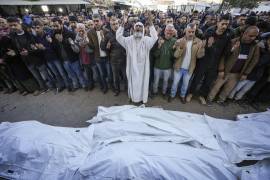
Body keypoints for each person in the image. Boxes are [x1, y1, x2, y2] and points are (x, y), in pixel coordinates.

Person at [186, 14, 232, 104]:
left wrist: (222, 66)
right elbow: (201, 46)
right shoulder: (209, 31)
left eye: (227, 24)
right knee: (197, 79)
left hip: (215, 63)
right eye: (223, 24)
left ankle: (201, 95)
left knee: (208, 81)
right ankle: (190, 94)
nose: (224, 26)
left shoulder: (228, 34)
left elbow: (225, 53)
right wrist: (208, 46)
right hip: (203, 61)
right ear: (218, 22)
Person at [207, 26, 260, 104]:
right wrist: (221, 69)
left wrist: (246, 73)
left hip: (237, 73)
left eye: (255, 36)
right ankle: (209, 99)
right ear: (245, 33)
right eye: (251, 36)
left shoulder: (255, 46)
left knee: (228, 88)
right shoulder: (233, 42)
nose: (253, 38)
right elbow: (223, 56)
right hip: (225, 71)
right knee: (216, 86)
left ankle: (221, 100)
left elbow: (254, 61)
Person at [116, 12, 158, 104]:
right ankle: (133, 98)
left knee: (142, 84)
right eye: (136, 28)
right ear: (133, 29)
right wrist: (122, 24)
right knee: (134, 85)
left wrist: (151, 24)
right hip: (132, 68)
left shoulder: (147, 40)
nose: (138, 29)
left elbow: (155, 37)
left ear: (143, 30)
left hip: (143, 69)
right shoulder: (129, 40)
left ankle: (142, 99)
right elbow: (118, 37)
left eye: (140, 28)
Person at [168, 23, 205, 103]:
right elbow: (175, 55)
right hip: (178, 67)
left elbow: (199, 56)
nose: (191, 33)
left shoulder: (199, 42)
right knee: (175, 83)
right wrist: (180, 47)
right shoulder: (179, 41)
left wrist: (202, 48)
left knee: (185, 85)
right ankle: (172, 95)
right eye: (189, 31)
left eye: (193, 32)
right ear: (186, 31)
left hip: (189, 68)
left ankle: (182, 96)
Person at [101, 17, 126, 96]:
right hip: (114, 60)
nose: (115, 26)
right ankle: (117, 90)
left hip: (124, 59)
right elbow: (102, 47)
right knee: (116, 77)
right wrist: (107, 47)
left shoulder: (124, 33)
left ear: (118, 24)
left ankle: (127, 89)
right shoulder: (108, 35)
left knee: (126, 76)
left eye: (116, 24)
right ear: (110, 26)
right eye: (113, 24)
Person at [153, 24, 176, 97]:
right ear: (165, 31)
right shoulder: (159, 40)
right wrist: (159, 46)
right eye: (167, 32)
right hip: (157, 66)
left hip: (168, 67)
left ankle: (164, 93)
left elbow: (174, 56)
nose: (169, 34)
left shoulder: (175, 41)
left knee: (166, 81)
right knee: (156, 81)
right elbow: (155, 55)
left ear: (173, 33)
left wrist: (173, 49)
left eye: (171, 33)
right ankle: (155, 92)